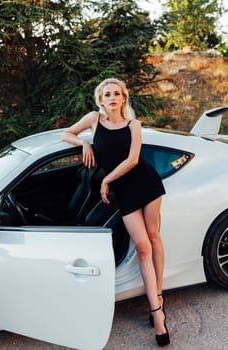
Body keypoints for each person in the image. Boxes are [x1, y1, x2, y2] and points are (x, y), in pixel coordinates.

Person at [62, 78, 170, 347]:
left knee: (154, 239)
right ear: (101, 99)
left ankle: (157, 308)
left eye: (117, 94)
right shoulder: (94, 119)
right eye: (107, 94)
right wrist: (85, 144)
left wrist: (106, 180)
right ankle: (157, 306)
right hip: (125, 193)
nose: (112, 97)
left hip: (146, 184)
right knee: (142, 247)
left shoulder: (134, 125)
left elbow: (133, 160)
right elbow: (65, 133)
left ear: (124, 98)